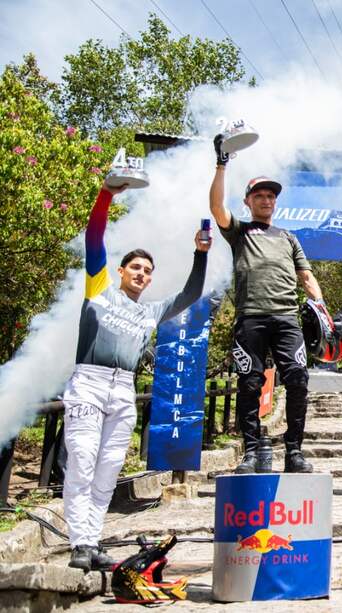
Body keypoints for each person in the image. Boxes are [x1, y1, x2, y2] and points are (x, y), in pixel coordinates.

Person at [65, 183, 210, 571]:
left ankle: (92, 542)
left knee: (109, 468)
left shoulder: (151, 311)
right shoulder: (99, 289)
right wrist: (106, 194)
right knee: (81, 461)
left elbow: (191, 293)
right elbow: (94, 236)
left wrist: (200, 254)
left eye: (147, 271)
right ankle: (79, 542)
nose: (142, 275)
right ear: (121, 271)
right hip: (89, 383)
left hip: (123, 390)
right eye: (136, 268)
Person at [210, 136, 325, 474]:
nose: (266, 200)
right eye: (259, 195)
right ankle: (249, 453)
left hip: (288, 320)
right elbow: (216, 207)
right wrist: (221, 163)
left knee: (299, 380)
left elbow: (307, 278)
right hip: (251, 321)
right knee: (249, 383)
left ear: (275, 202)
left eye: (271, 196)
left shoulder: (289, 238)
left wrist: (323, 311)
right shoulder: (240, 231)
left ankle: (294, 452)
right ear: (247, 201)